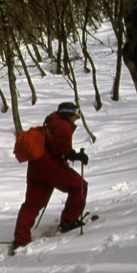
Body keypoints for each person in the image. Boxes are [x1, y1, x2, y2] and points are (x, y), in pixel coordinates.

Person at [12, 101, 89, 252]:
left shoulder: (51, 122)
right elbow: (63, 148)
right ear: (70, 114)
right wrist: (77, 156)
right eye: (75, 116)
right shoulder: (63, 125)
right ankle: (69, 221)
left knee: (31, 205)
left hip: (36, 167)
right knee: (79, 186)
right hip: (51, 166)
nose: (76, 119)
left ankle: (21, 240)